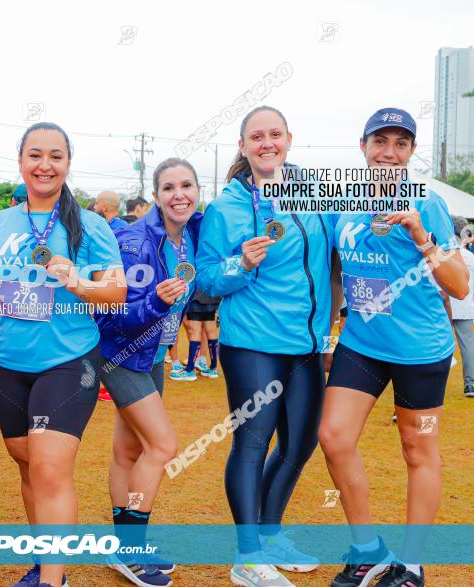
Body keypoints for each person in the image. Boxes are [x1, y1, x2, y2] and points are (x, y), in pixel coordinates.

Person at [0, 122, 126, 587]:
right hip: (7, 364)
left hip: (67, 361)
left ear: (68, 164)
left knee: (50, 468)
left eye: (55, 156)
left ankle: (53, 579)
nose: (45, 164)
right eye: (35, 155)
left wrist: (77, 280)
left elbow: (116, 292)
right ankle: (43, 562)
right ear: (21, 162)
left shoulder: (91, 225)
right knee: (27, 463)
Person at [319, 108, 470, 587]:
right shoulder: (340, 201)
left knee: (417, 449)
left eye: (400, 144)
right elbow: (335, 273)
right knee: (334, 437)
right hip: (362, 344)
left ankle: (410, 564)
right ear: (362, 147)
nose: (389, 152)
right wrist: (325, 334)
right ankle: (367, 550)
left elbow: (460, 285)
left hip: (421, 351)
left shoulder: (426, 203)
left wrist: (421, 236)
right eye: (380, 141)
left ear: (410, 152)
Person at [196, 106, 340, 587]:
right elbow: (208, 279)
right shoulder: (226, 207)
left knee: (299, 444)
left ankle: (271, 534)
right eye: (256, 136)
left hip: (306, 345)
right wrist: (241, 264)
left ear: (288, 139)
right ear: (243, 146)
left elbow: (342, 244)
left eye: (274, 134)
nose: (267, 143)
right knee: (253, 442)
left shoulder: (314, 196)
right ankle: (248, 555)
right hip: (253, 344)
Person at [96, 157, 203, 586]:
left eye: (187, 186)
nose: (180, 194)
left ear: (198, 191)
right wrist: (156, 303)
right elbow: (113, 312)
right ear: (156, 196)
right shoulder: (135, 241)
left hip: (153, 356)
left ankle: (124, 547)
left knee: (130, 451)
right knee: (162, 446)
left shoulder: (191, 234)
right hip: (120, 353)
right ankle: (131, 550)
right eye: (169, 188)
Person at [450, 215, 474, 398]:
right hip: (464, 305)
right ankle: (470, 383)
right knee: (467, 345)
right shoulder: (469, 256)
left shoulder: (443, 254)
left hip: (444, 306)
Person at [172, 293, 220, 381]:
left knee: (195, 331)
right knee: (211, 330)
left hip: (196, 297)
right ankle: (213, 369)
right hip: (211, 296)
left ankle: (190, 370)